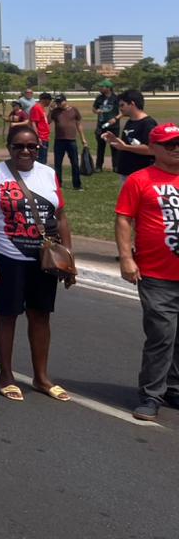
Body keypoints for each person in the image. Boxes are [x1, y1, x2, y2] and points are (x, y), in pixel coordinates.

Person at [0, 124, 75, 405]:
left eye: (32, 146)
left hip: (42, 259)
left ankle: (41, 377)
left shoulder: (48, 174)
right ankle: (5, 375)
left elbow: (62, 216)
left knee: (41, 316)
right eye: (18, 146)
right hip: (6, 258)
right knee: (7, 317)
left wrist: (68, 254)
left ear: (39, 147)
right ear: (9, 147)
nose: (26, 151)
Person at [115, 122, 179, 421]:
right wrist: (126, 258)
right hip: (156, 274)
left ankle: (173, 388)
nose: (175, 149)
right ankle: (151, 394)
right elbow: (124, 220)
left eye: (178, 143)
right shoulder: (140, 180)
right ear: (153, 149)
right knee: (161, 335)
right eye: (169, 144)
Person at [105, 89, 157, 184]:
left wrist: (125, 147)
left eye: (122, 105)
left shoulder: (148, 123)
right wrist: (115, 139)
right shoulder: (130, 121)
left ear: (132, 104)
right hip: (126, 171)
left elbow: (151, 149)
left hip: (140, 173)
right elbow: (129, 143)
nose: (120, 109)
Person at [49, 94, 87, 191]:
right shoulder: (55, 111)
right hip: (59, 140)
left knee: (74, 163)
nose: (58, 104)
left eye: (60, 101)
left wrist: (83, 138)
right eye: (57, 102)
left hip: (71, 140)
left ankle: (77, 185)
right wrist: (50, 110)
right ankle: (58, 184)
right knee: (58, 163)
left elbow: (79, 125)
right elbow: (48, 121)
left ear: (65, 101)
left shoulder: (73, 110)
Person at [93, 80, 120, 172]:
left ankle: (116, 166)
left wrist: (115, 119)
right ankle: (98, 166)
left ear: (108, 88)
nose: (100, 88)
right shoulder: (99, 98)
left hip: (113, 126)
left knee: (114, 146)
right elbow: (94, 108)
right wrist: (97, 111)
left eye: (102, 87)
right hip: (101, 125)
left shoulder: (116, 98)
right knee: (100, 147)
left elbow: (123, 111)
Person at [30, 93, 51, 164]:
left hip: (45, 137)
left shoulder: (42, 108)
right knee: (40, 160)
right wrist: (37, 137)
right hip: (41, 137)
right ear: (45, 100)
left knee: (43, 159)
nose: (50, 102)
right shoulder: (37, 108)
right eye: (49, 100)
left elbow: (46, 122)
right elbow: (33, 123)